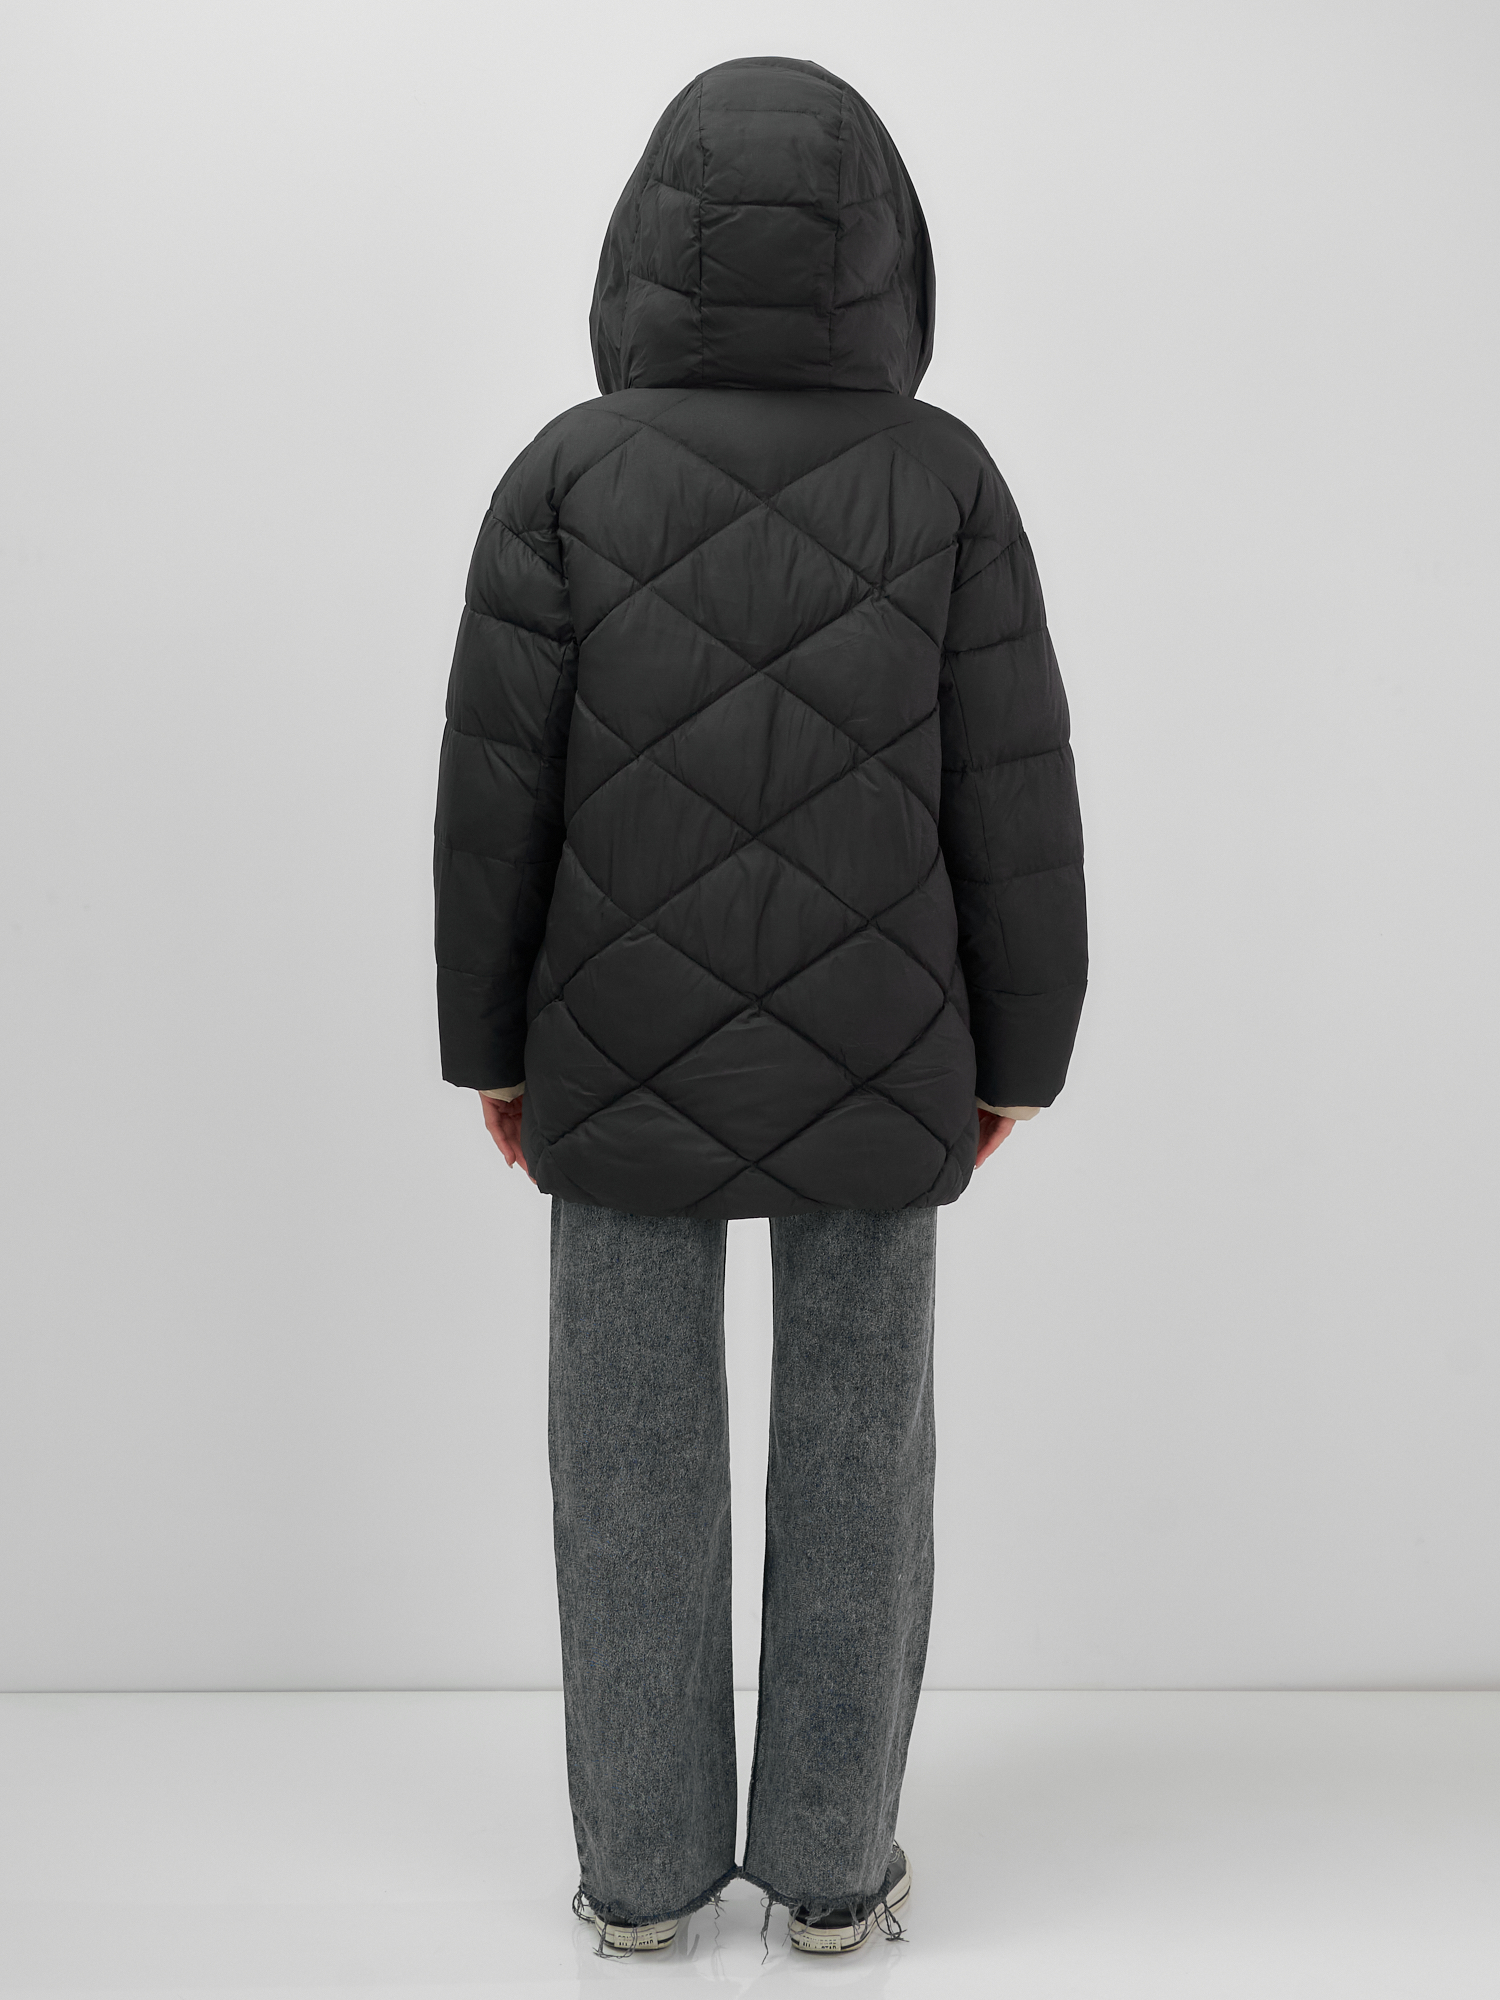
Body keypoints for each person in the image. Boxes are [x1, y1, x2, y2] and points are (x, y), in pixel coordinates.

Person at [433, 55, 1086, 1956]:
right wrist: (1018, 1056)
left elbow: (493, 797)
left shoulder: (563, 473)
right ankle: (830, 1870)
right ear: (887, 249)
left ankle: (641, 1881)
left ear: (648, 240)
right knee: (863, 1458)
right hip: (887, 1044)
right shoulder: (947, 479)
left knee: (624, 1462)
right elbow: (1015, 790)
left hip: (612, 1041)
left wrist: (494, 1048)